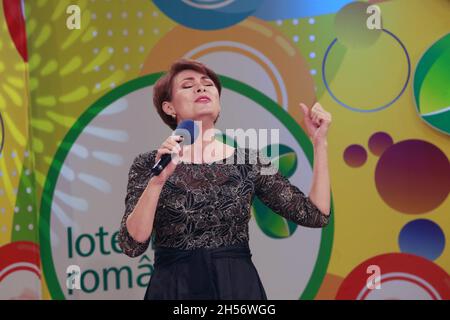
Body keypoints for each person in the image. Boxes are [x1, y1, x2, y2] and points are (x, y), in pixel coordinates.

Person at [118, 59, 332, 300]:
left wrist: (319, 143)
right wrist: (157, 181)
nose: (200, 88)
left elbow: (315, 214)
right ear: (169, 108)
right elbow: (131, 245)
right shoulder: (149, 163)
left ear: (218, 104)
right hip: (173, 286)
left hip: (236, 286)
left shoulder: (249, 161)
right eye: (188, 85)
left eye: (207, 84)